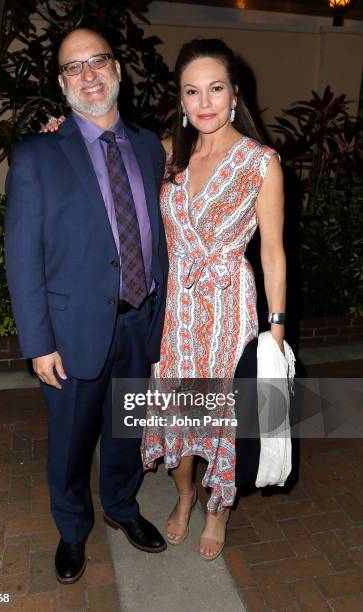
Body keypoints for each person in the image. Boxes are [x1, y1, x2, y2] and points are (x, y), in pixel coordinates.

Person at [4, 28, 169, 585]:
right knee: (71, 442)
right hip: (71, 332)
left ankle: (121, 507)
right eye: (74, 67)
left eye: (97, 61)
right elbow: (22, 256)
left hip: (140, 321)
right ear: (61, 83)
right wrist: (37, 342)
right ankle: (72, 529)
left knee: (127, 430)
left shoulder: (149, 147)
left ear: (118, 69)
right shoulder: (35, 155)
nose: (88, 74)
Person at [141, 38, 286, 561]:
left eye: (215, 89)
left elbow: (272, 252)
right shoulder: (165, 154)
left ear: (234, 95)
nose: (204, 102)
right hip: (177, 306)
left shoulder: (260, 162)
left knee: (223, 414)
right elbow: (102, 156)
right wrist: (58, 129)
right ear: (180, 100)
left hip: (230, 307)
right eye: (192, 91)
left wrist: (276, 328)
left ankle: (217, 509)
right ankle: (184, 495)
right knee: (179, 409)